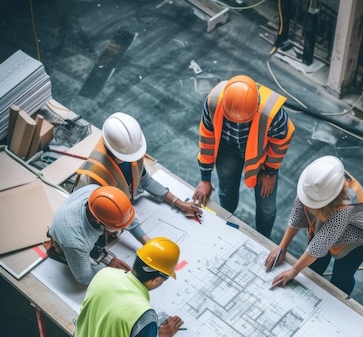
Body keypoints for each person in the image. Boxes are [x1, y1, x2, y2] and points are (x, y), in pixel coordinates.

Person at [192, 74, 295, 238]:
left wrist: (270, 171)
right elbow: (207, 138)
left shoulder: (274, 116)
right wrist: (205, 178)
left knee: (266, 207)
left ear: (257, 107)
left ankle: (263, 240)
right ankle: (226, 222)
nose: (238, 123)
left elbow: (280, 143)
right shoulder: (213, 102)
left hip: (261, 155)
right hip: (227, 148)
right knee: (226, 192)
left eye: (243, 120)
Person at [76, 111, 202, 243]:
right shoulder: (97, 174)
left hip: (125, 206)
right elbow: (116, 212)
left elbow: (144, 180)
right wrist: (147, 241)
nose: (132, 158)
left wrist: (179, 203)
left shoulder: (131, 150)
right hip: (107, 219)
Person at [265, 155, 363, 296]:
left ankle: (340, 301)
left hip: (359, 232)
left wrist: (294, 271)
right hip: (328, 221)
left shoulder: (345, 205)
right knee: (313, 266)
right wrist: (282, 246)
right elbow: (298, 212)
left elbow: (319, 245)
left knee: (342, 275)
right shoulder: (314, 182)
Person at [48, 184, 134, 285]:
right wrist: (113, 279)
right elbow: (85, 278)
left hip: (77, 228)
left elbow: (126, 218)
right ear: (98, 221)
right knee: (76, 252)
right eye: (116, 227)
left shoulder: (98, 193)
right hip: (65, 240)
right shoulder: (75, 242)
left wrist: (107, 259)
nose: (122, 229)